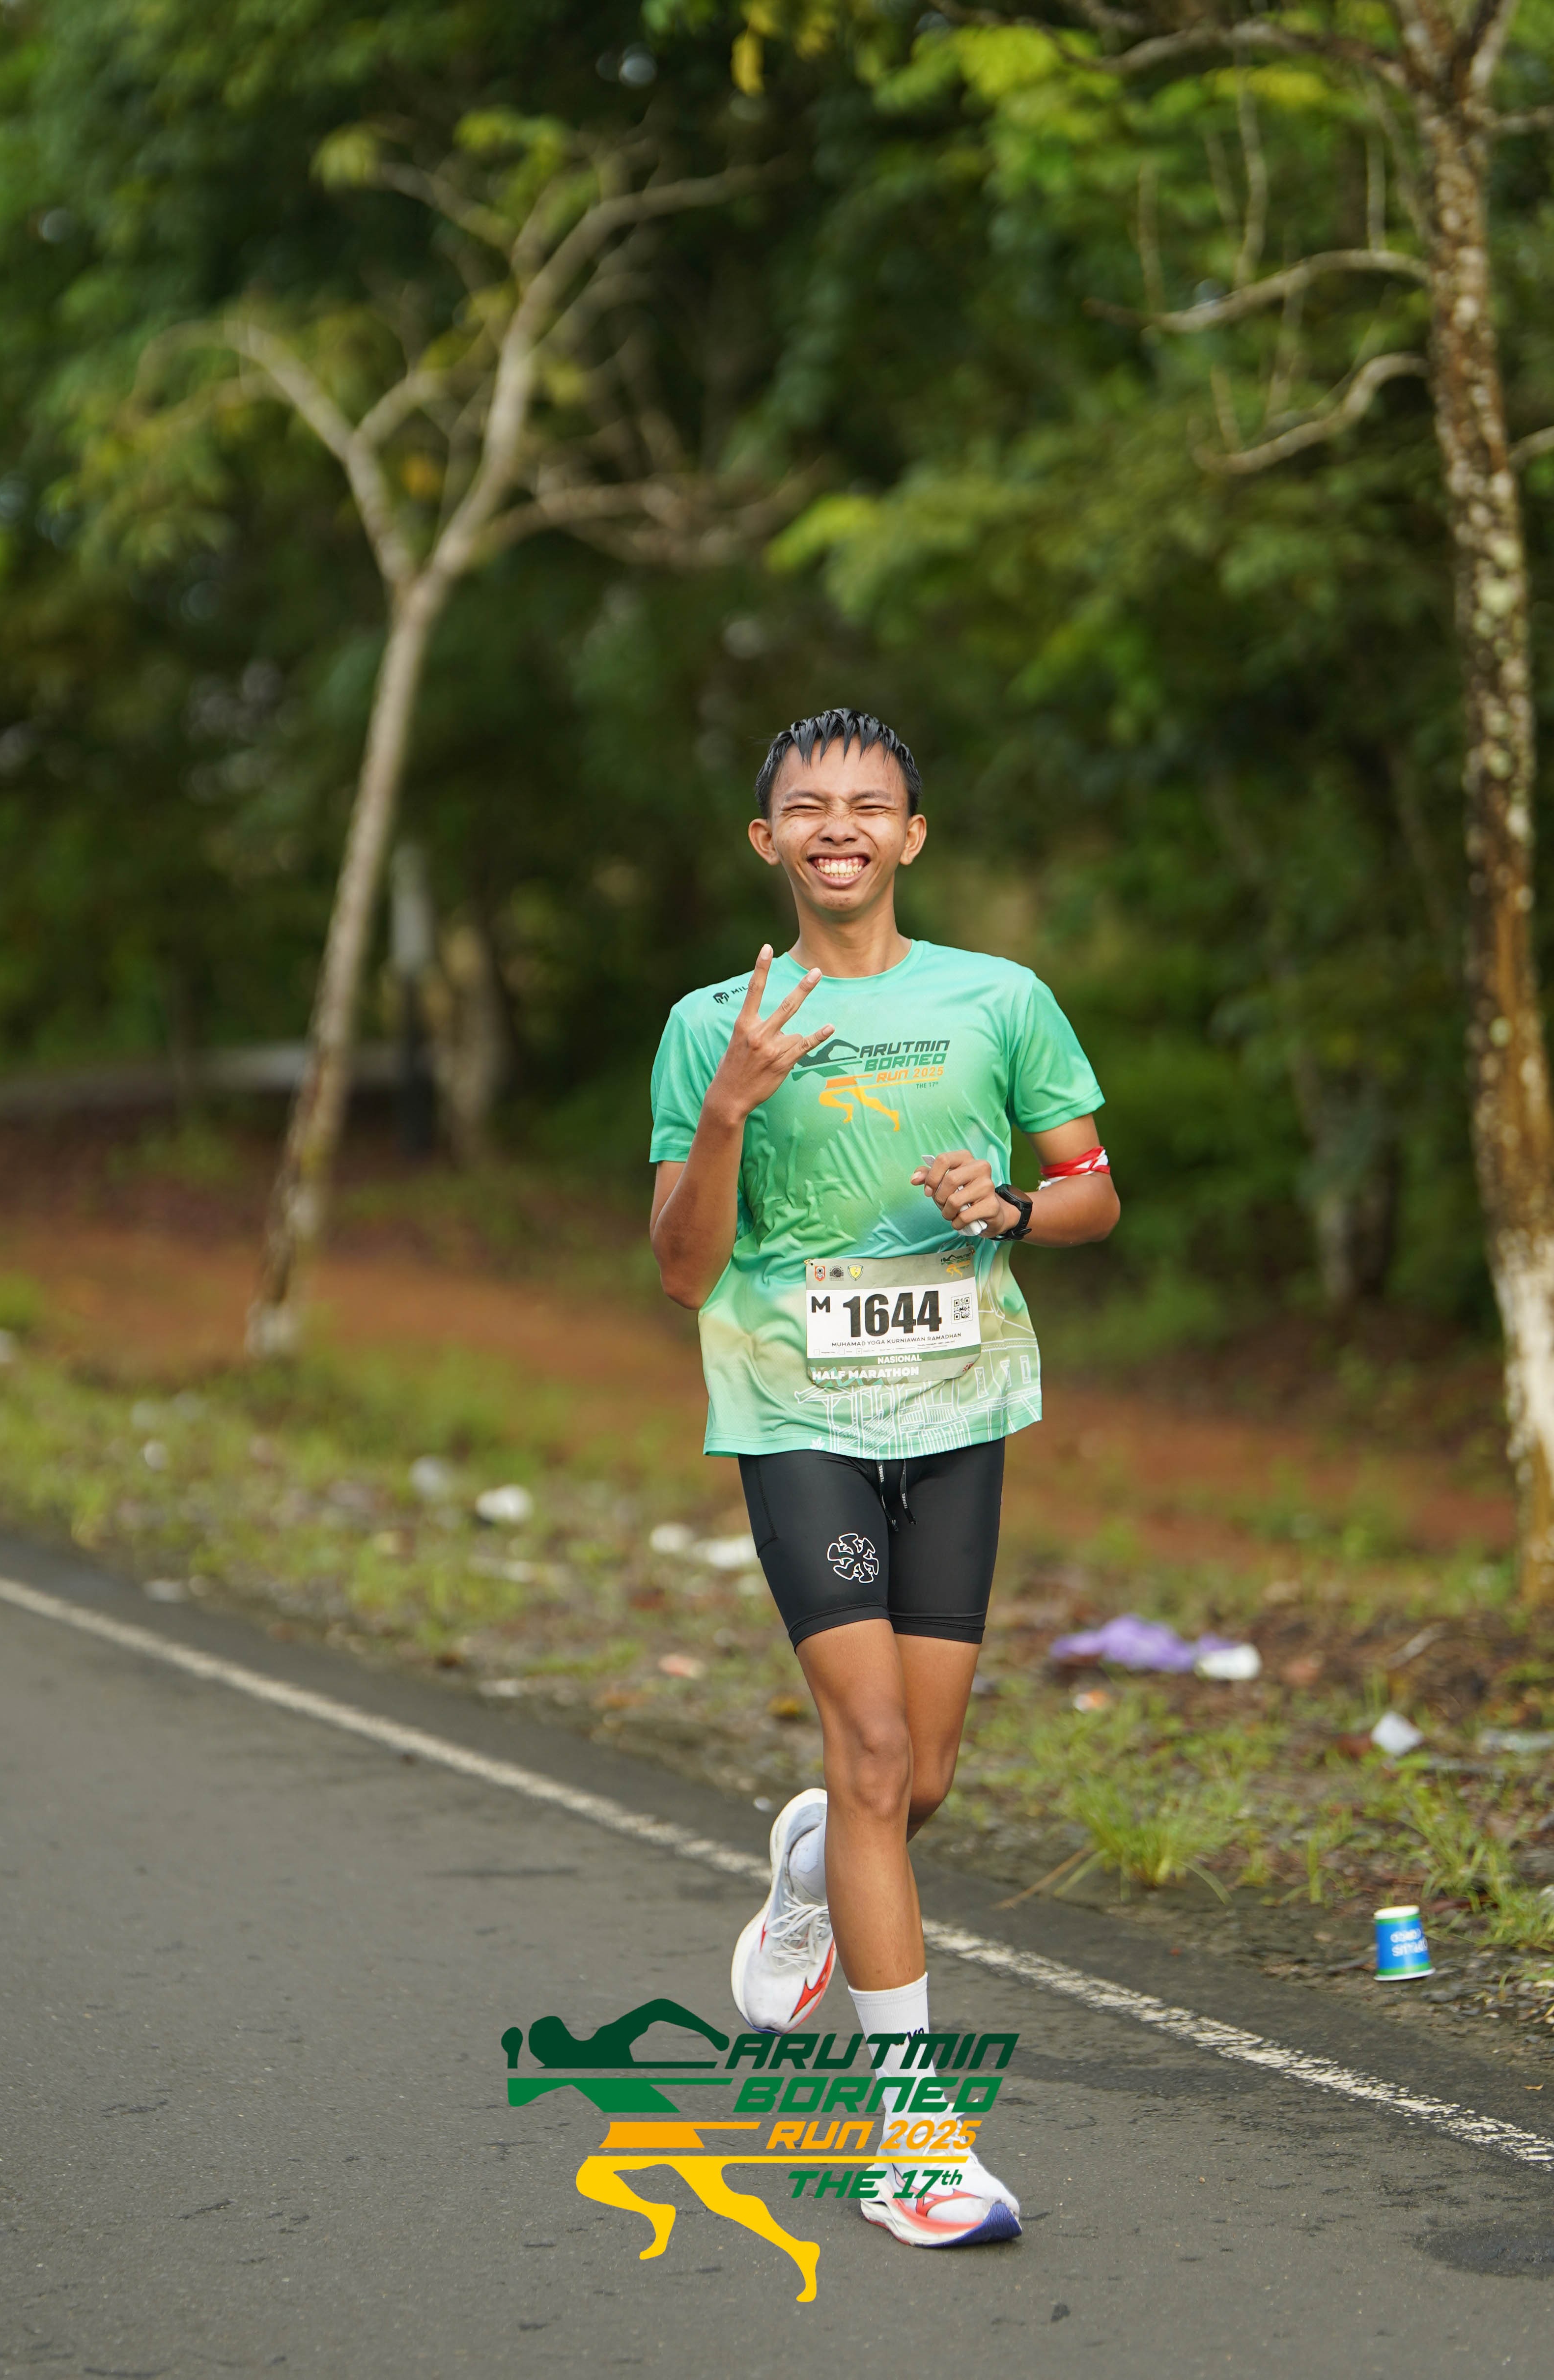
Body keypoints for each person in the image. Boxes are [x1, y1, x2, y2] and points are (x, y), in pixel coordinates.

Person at [648, 708, 1118, 2249]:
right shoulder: (710, 1023)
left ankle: (806, 1869)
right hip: (794, 1407)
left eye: (869, 803)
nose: (838, 825)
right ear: (766, 838)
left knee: (918, 1781)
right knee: (867, 1750)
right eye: (808, 805)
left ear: (912, 834)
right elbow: (682, 1268)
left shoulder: (1001, 998)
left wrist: (1012, 1207)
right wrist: (731, 1101)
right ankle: (912, 2143)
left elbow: (1095, 1190)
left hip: (960, 1404)